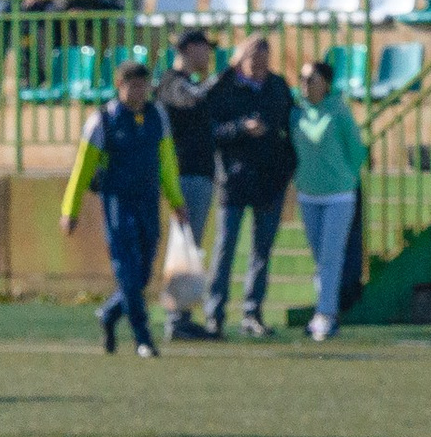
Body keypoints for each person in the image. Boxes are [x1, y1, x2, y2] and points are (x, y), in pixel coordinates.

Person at [61, 57, 184, 360]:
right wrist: (70, 209)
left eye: (143, 86)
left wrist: (176, 200)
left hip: (148, 200)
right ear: (119, 87)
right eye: (132, 86)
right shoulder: (103, 119)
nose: (138, 92)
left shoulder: (158, 116)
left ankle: (109, 313)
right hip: (117, 203)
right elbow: (82, 168)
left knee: (142, 273)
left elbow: (166, 162)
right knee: (126, 270)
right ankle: (143, 337)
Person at [203, 31, 295, 340]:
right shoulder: (225, 87)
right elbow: (211, 130)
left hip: (269, 180)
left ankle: (252, 312)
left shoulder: (278, 87)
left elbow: (288, 124)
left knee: (261, 251)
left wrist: (286, 166)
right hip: (233, 179)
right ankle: (214, 313)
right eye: (252, 59)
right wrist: (241, 128)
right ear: (241, 59)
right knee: (225, 248)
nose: (258, 65)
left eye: (263, 59)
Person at [292, 56, 367, 341]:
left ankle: (325, 313)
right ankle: (324, 309)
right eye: (302, 78)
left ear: (325, 83)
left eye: (311, 79)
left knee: (331, 255)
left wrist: (345, 178)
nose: (305, 84)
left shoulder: (338, 111)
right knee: (319, 256)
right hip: (308, 194)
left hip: (338, 195)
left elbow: (356, 150)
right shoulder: (296, 112)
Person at [155, 29, 219, 341]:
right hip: (185, 175)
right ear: (191, 48)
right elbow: (191, 101)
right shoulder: (171, 83)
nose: (209, 55)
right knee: (183, 246)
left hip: (197, 174)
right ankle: (176, 319)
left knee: (188, 246)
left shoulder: (184, 83)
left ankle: (181, 316)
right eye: (206, 48)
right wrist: (228, 74)